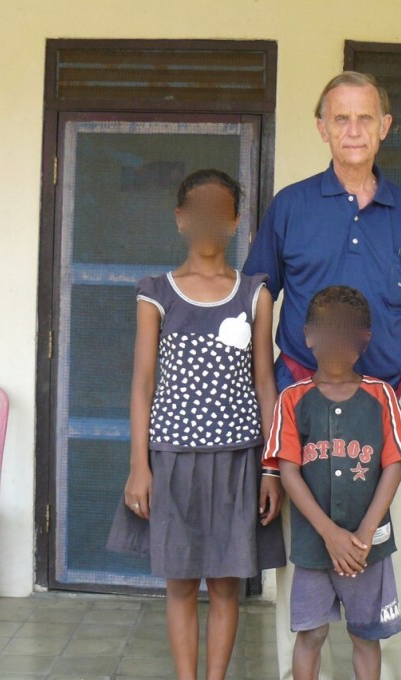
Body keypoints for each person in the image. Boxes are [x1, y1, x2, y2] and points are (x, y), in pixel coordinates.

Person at [244, 70, 401, 680]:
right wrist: (272, 416)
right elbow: (259, 306)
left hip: (384, 405)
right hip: (299, 401)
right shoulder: (292, 206)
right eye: (341, 118)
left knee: (379, 565)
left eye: (365, 118)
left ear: (384, 127)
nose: (353, 130)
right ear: (322, 127)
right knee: (303, 568)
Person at [106, 169, 285, 680]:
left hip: (238, 459)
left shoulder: (254, 294)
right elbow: (143, 383)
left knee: (227, 583)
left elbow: (265, 383)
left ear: (233, 222)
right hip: (172, 459)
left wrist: (271, 468)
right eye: (198, 209)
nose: (208, 219)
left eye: (220, 210)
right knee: (181, 582)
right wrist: (138, 465)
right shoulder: (156, 293)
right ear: (182, 219)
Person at [263, 286, 401, 680]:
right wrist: (329, 533)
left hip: (370, 549)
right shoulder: (292, 399)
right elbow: (289, 471)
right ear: (309, 336)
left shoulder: (382, 396)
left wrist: (365, 532)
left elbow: (394, 465)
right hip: (314, 548)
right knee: (311, 634)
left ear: (363, 339)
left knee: (366, 637)